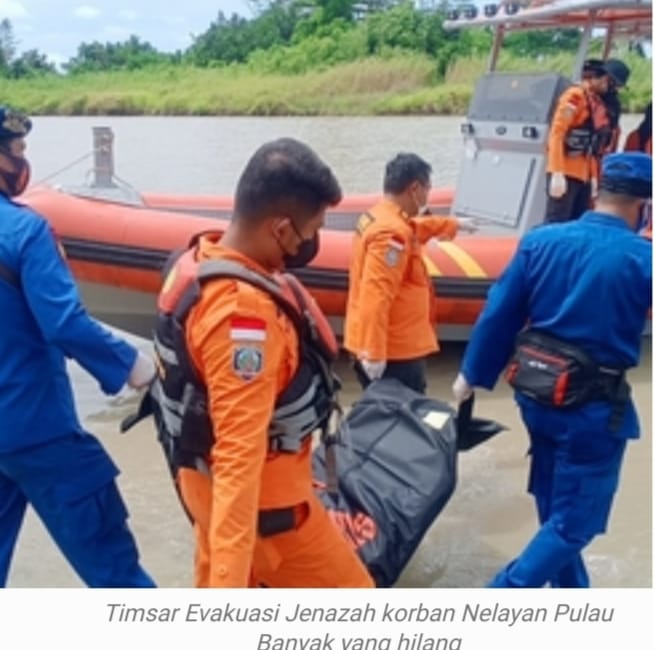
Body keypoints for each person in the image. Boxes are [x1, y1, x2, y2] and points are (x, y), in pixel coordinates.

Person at [148, 137, 374, 588]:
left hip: (203, 491)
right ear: (281, 229)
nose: (311, 242)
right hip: (268, 517)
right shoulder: (243, 319)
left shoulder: (199, 259)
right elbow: (238, 457)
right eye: (312, 229)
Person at [452, 151, 652, 588]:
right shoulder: (642, 258)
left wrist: (471, 374)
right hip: (592, 412)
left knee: (554, 511)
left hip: (536, 396)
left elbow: (499, 311)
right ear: (644, 207)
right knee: (574, 525)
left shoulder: (540, 241)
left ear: (597, 192)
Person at [0, 105, 156, 587]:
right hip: (39, 430)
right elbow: (65, 323)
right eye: (17, 150)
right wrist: (135, 366)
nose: (23, 161)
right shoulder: (24, 231)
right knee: (114, 572)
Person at [344, 152, 476, 394]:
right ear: (415, 188)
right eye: (427, 189)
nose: (427, 196)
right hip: (394, 353)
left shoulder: (380, 216)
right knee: (404, 414)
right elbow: (377, 293)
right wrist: (374, 351)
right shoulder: (391, 235)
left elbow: (414, 228)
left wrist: (451, 224)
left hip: (381, 344)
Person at [544, 59, 611, 223]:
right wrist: (557, 172)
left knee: (577, 222)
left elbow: (592, 144)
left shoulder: (595, 101)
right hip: (567, 170)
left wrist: (593, 177)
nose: (607, 85)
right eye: (606, 80)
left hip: (583, 174)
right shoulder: (574, 97)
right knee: (557, 220)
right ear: (595, 78)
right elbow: (557, 133)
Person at [601, 58, 631, 155]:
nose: (618, 89)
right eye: (618, 85)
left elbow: (614, 132)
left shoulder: (614, 103)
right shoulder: (584, 97)